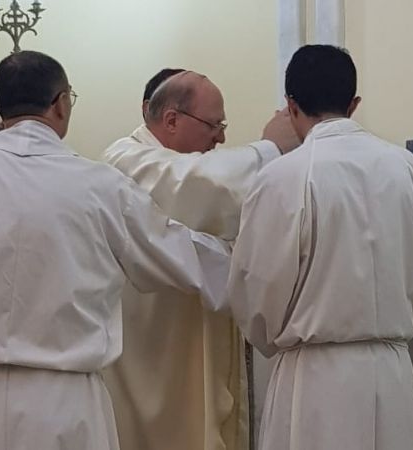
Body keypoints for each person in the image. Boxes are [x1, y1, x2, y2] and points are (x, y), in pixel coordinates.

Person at [0, 50, 232, 450]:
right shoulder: (99, 185)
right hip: (64, 403)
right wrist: (266, 256)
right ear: (61, 104)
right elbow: (178, 253)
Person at [225, 44, 413, 450]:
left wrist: (274, 339)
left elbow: (255, 290)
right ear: (353, 103)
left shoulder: (281, 175)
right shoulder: (404, 165)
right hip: (392, 372)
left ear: (290, 105)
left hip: (313, 380)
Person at [102, 69, 299, 450]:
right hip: (150, 367)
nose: (221, 137)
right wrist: (269, 149)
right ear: (171, 120)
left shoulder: (186, 163)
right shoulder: (123, 161)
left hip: (191, 349)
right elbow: (198, 187)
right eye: (214, 124)